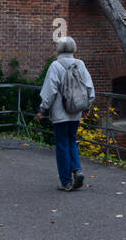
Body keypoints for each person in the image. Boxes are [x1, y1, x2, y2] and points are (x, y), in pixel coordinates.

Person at [36, 37, 94, 191]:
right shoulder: (80, 64)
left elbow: (50, 90)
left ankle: (66, 181)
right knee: (72, 140)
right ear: (74, 49)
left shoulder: (55, 66)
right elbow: (89, 87)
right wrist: (87, 106)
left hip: (60, 112)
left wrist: (42, 109)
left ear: (59, 50)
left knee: (61, 144)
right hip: (76, 111)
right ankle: (77, 169)